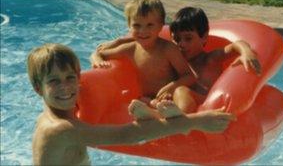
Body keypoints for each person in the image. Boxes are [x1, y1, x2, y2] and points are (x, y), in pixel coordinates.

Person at [27, 43, 235, 165]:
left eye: (70, 78)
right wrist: (196, 121)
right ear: (38, 88)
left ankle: (152, 117)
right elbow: (128, 136)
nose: (65, 87)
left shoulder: (55, 117)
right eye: (54, 81)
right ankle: (154, 118)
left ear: (79, 78)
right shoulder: (60, 130)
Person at [90, 0, 196, 111]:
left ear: (161, 25)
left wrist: (172, 87)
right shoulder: (130, 49)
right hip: (147, 99)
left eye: (150, 25)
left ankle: (170, 114)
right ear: (129, 26)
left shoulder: (168, 49)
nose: (143, 31)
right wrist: (98, 61)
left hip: (169, 96)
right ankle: (156, 111)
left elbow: (190, 76)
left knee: (181, 97)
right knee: (140, 102)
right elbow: (97, 54)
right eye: (137, 25)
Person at [167, 7, 262, 114]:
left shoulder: (211, 59)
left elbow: (237, 44)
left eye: (188, 38)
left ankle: (178, 124)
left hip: (210, 107)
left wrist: (246, 52)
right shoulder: (177, 64)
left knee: (181, 91)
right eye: (176, 39)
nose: (181, 44)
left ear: (204, 37)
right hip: (187, 109)